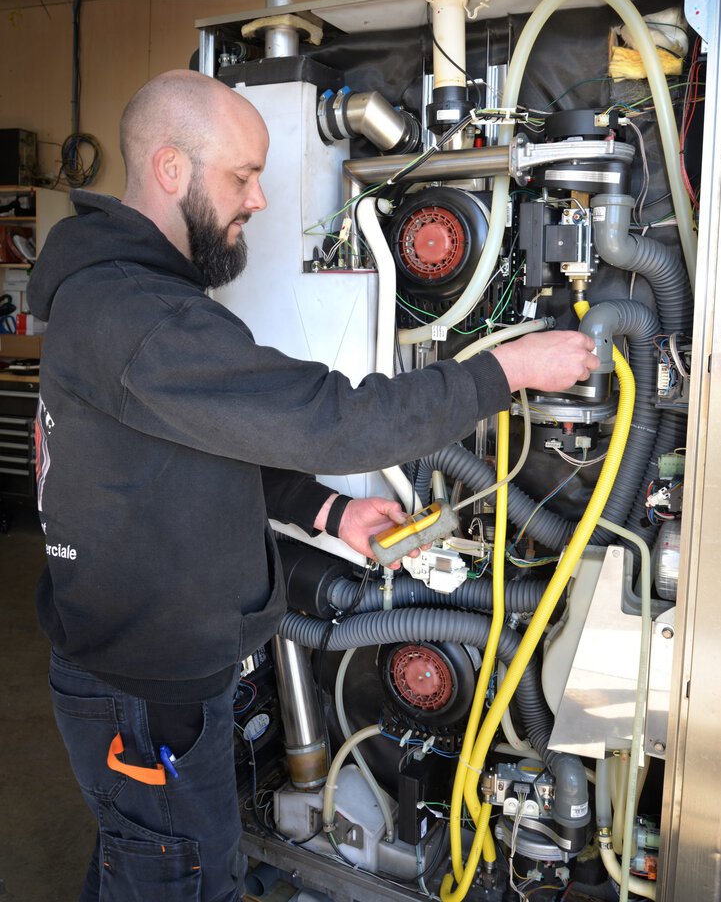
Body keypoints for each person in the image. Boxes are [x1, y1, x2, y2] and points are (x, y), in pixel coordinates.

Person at [28, 69, 600, 902]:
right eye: (242, 176)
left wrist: (329, 508)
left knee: (147, 863)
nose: (257, 199)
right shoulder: (140, 317)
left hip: (148, 679)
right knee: (178, 878)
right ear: (171, 169)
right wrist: (505, 369)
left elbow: (206, 449)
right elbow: (333, 418)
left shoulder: (131, 302)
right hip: (146, 697)